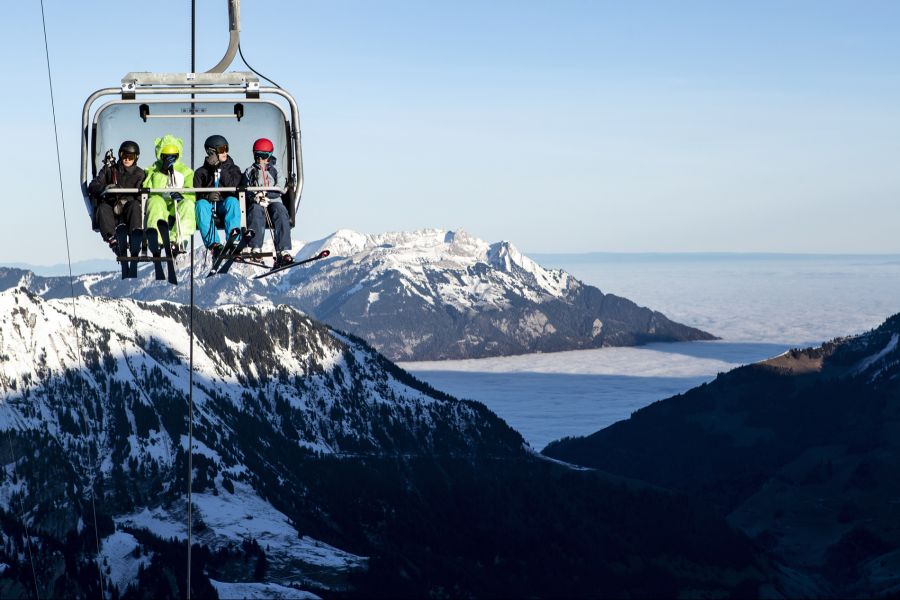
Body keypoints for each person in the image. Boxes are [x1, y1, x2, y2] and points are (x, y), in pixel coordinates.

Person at [241, 138, 292, 265]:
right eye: (257, 156)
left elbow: (281, 186)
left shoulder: (275, 170)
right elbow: (246, 188)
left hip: (274, 200)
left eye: (263, 156)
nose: (260, 160)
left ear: (269, 156)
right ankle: (256, 248)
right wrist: (255, 196)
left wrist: (267, 194)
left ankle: (283, 250)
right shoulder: (250, 171)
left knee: (280, 211)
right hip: (257, 201)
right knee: (256, 211)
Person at [87, 140, 144, 253]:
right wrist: (105, 188)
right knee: (102, 208)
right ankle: (112, 239)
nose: (127, 159)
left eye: (130, 156)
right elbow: (93, 185)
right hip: (112, 208)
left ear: (136, 158)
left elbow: (141, 194)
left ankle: (135, 237)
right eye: (124, 155)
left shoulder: (139, 174)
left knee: (134, 206)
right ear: (120, 155)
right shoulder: (110, 170)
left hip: (128, 208)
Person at [142, 134, 196, 253]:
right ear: (160, 155)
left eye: (173, 156)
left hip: (176, 206)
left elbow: (191, 193)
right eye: (166, 156)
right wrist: (162, 172)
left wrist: (182, 196)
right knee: (154, 202)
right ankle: (157, 239)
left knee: (188, 205)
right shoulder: (153, 170)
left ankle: (177, 240)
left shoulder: (186, 171)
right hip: (161, 205)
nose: (169, 159)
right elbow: (148, 188)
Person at [194, 134, 242, 255]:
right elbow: (196, 195)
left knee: (232, 201)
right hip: (209, 206)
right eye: (221, 150)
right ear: (211, 152)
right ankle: (214, 244)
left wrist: (219, 167)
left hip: (224, 204)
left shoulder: (233, 169)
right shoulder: (201, 172)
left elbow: (233, 185)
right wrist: (207, 196)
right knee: (200, 204)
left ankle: (234, 239)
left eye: (226, 148)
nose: (225, 152)